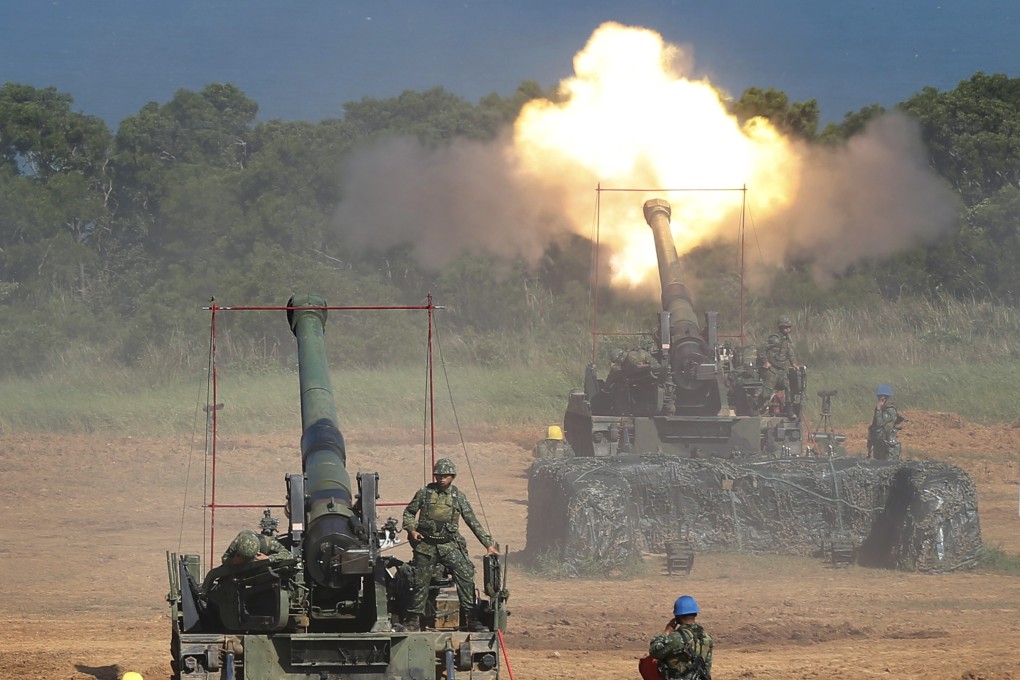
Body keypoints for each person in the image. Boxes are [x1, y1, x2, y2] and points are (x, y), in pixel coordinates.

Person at [401, 458, 499, 631]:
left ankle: (471, 618)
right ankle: (413, 619)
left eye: (445, 476)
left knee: (466, 574)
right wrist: (411, 530)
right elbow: (409, 513)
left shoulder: (458, 497)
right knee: (419, 581)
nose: (441, 478)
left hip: (449, 545)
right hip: (426, 546)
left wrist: (488, 544)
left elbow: (472, 521)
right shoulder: (424, 493)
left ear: (452, 477)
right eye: (438, 475)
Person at [647, 595, 714, 680]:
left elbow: (654, 651)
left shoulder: (676, 638)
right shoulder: (706, 637)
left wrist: (667, 631)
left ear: (677, 616)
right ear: (695, 614)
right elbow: (707, 665)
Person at [868, 384, 903, 460]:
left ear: (884, 397)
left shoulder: (889, 409)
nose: (878, 398)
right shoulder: (882, 408)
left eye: (880, 396)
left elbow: (880, 423)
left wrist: (878, 410)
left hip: (888, 446)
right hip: (880, 444)